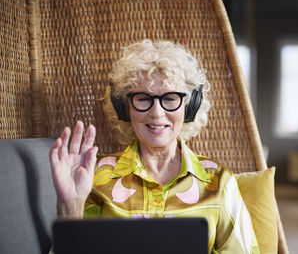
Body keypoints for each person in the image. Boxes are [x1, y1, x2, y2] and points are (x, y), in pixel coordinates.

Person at [49, 39, 260, 253]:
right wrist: (71, 205)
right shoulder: (93, 175)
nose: (157, 113)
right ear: (125, 107)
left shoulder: (219, 180)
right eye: (143, 99)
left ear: (189, 107)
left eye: (170, 98)